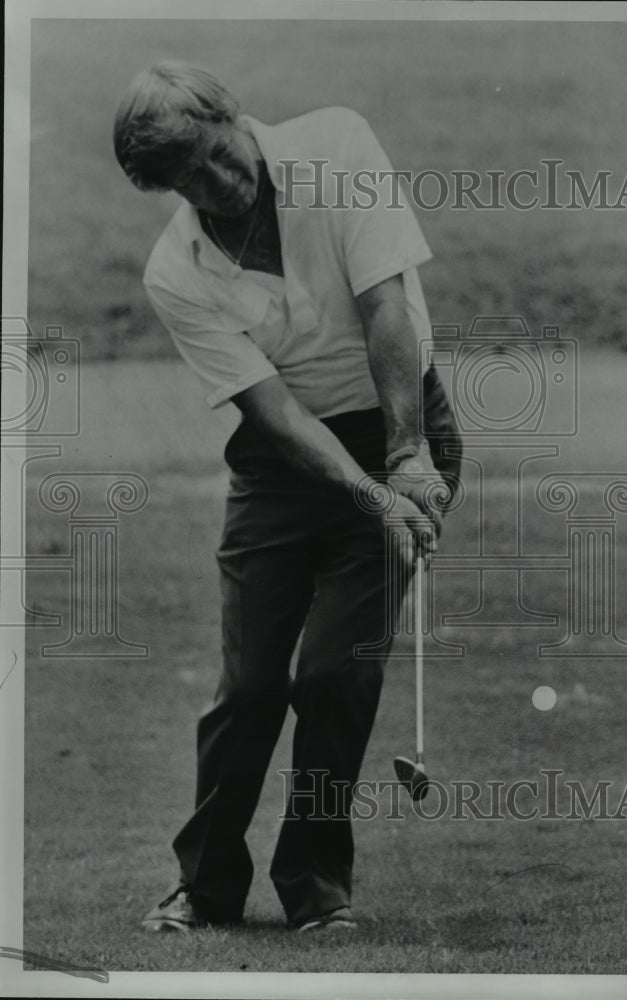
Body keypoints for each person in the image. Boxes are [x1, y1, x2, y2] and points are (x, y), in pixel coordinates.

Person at [113, 60, 462, 933]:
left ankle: (315, 886)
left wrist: (406, 460)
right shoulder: (176, 270)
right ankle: (206, 884)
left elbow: (386, 306)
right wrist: (363, 495)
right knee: (251, 684)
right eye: (186, 180)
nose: (215, 185)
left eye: (215, 155)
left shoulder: (334, 144)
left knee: (334, 672)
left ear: (233, 116)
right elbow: (268, 408)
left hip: (398, 425)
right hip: (283, 462)